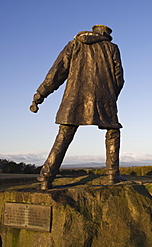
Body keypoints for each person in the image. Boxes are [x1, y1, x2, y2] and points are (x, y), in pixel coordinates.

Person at [30, 25, 126, 190]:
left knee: (64, 135)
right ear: (105, 34)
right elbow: (119, 79)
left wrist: (40, 95)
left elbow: (56, 73)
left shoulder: (74, 44)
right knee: (113, 131)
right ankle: (112, 174)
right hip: (104, 98)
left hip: (74, 98)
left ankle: (46, 177)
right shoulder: (112, 48)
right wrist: (111, 97)